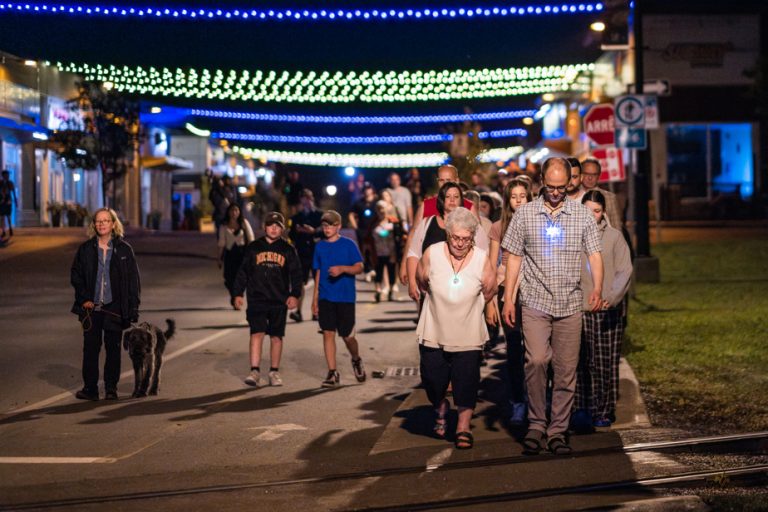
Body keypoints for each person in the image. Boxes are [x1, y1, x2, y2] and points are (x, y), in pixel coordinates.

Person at [501, 157, 604, 455]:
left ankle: (558, 429)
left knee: (565, 370)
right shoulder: (526, 214)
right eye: (551, 187)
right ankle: (536, 424)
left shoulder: (582, 215)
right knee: (535, 361)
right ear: (541, 183)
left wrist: (596, 287)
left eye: (562, 187)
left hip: (570, 302)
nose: (557, 192)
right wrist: (509, 298)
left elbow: (595, 254)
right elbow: (514, 257)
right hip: (535, 300)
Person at [416, 207, 496, 449]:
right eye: (455, 238)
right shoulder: (432, 253)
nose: (460, 243)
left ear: (472, 238)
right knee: (432, 377)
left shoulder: (482, 259)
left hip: (468, 329)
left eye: (466, 239)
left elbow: (490, 290)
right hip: (435, 328)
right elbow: (422, 280)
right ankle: (440, 405)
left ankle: (463, 426)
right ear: (448, 234)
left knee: (467, 379)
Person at [574, 191, 632, 428]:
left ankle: (604, 409)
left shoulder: (614, 237)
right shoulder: (571, 235)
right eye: (587, 210)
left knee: (605, 361)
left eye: (596, 211)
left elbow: (624, 270)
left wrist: (610, 297)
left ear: (603, 212)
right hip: (580, 309)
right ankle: (581, 407)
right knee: (580, 362)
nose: (592, 215)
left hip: (607, 310)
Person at [70, 208, 140, 401]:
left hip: (115, 308)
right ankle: (90, 389)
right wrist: (84, 298)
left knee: (113, 350)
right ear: (94, 225)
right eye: (98, 221)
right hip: (91, 309)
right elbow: (76, 275)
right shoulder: (86, 249)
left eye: (105, 221)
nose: (101, 224)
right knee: (91, 349)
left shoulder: (124, 249)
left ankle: (111, 389)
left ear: (113, 224)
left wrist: (133, 308)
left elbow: (133, 281)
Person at [233, 212, 303, 388]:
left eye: (278, 225)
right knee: (256, 333)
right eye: (271, 225)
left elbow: (296, 274)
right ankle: (254, 371)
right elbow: (242, 271)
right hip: (257, 298)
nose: (274, 228)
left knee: (276, 337)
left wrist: (294, 295)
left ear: (282, 229)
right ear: (264, 227)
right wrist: (238, 293)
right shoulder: (254, 247)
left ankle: (274, 371)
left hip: (279, 300)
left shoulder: (288, 249)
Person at [486, 177, 532, 426]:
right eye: (513, 196)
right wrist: (490, 302)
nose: (518, 200)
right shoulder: (498, 227)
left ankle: (539, 398)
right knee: (514, 348)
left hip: (535, 291)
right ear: (507, 200)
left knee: (538, 352)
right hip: (507, 293)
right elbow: (492, 266)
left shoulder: (538, 221)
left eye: (522, 195)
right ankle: (518, 401)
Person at [406, 182, 490, 303]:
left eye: (456, 197)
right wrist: (413, 283)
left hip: (466, 289)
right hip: (432, 291)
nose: (452, 200)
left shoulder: (472, 224)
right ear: (441, 199)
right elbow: (413, 253)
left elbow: (484, 254)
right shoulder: (427, 223)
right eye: (448, 196)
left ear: (461, 200)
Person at [311, 210, 367, 388]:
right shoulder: (319, 246)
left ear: (339, 226)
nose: (327, 228)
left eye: (331, 225)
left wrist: (343, 269)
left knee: (347, 336)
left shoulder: (349, 245)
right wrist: (314, 299)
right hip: (326, 296)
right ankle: (332, 372)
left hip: (345, 297)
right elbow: (318, 272)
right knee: (328, 333)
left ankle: (356, 359)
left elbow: (359, 267)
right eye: (325, 225)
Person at [399, 165, 475, 285]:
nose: (445, 184)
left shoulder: (469, 207)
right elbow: (413, 236)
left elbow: (478, 239)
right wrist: (404, 264)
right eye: (441, 180)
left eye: (448, 180)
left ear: (457, 181)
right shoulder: (427, 205)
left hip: (461, 270)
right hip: (429, 271)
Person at [289, 189, 324, 322]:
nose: (307, 201)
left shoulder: (320, 215)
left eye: (308, 198)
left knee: (318, 284)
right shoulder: (296, 217)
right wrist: (298, 232)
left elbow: (326, 230)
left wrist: (313, 231)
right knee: (300, 283)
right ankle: (298, 311)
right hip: (302, 253)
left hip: (317, 253)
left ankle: (316, 311)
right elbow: (291, 236)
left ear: (312, 199)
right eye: (304, 198)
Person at [218, 203, 255, 308]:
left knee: (241, 278)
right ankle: (234, 295)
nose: (234, 213)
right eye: (232, 211)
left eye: (236, 210)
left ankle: (237, 298)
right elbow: (221, 243)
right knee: (229, 278)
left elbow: (251, 238)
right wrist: (219, 258)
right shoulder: (224, 225)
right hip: (230, 254)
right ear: (228, 212)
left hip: (242, 254)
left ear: (239, 212)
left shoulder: (244, 223)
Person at [580, 158, 622, 230]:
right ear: (580, 174)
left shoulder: (609, 198)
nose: (590, 178)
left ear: (599, 176)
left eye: (594, 174)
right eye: (586, 173)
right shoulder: (572, 195)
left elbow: (616, 226)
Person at [348, 182, 378, 281]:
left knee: (375, 250)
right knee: (365, 251)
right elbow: (351, 214)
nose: (367, 191)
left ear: (372, 190)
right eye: (365, 189)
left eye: (369, 189)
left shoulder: (377, 202)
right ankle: (368, 270)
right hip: (362, 230)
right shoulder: (359, 203)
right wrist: (355, 227)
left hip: (375, 230)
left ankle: (376, 269)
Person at [370, 201, 397, 302]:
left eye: (383, 209)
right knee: (378, 272)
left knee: (391, 272)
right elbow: (368, 237)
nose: (382, 211)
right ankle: (378, 291)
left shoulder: (393, 221)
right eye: (379, 209)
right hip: (378, 252)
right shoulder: (374, 223)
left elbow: (399, 235)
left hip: (391, 251)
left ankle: (390, 291)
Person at [0, 169, 18, 240]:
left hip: (8, 201)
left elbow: (13, 192)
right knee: (2, 217)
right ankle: (3, 230)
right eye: (6, 175)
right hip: (1, 201)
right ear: (3, 176)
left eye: (8, 175)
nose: (7, 176)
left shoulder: (10, 183)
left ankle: (10, 227)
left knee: (8, 215)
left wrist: (16, 201)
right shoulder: (0, 183)